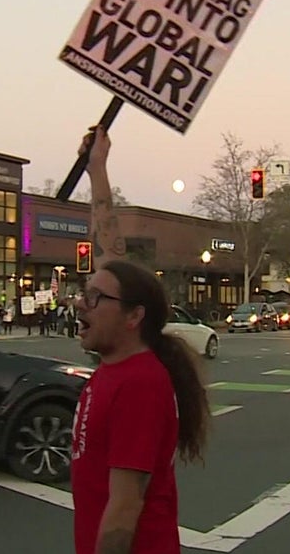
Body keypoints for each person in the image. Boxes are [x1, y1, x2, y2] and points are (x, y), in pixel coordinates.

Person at [70, 123, 211, 554]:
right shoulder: (120, 368)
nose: (81, 304)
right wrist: (97, 171)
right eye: (83, 293)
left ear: (134, 317)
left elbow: (125, 508)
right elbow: (112, 258)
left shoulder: (141, 386)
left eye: (94, 298)